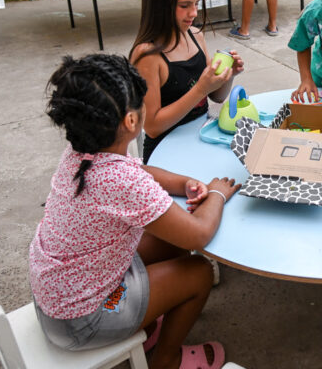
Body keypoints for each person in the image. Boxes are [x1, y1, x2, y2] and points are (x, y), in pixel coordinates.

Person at [29, 53, 240, 369]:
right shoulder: (121, 182)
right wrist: (217, 195)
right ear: (130, 121)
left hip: (64, 295)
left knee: (173, 242)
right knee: (199, 272)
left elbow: (139, 172)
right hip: (90, 317)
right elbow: (198, 234)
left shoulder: (81, 154)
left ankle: (147, 314)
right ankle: (166, 360)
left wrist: (183, 183)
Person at [129, 0, 244, 164]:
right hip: (166, 152)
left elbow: (217, 97)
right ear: (159, 5)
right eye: (184, 6)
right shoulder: (147, 56)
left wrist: (228, 76)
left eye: (197, 4)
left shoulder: (195, 35)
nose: (193, 13)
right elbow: (153, 127)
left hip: (200, 138)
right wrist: (200, 88)